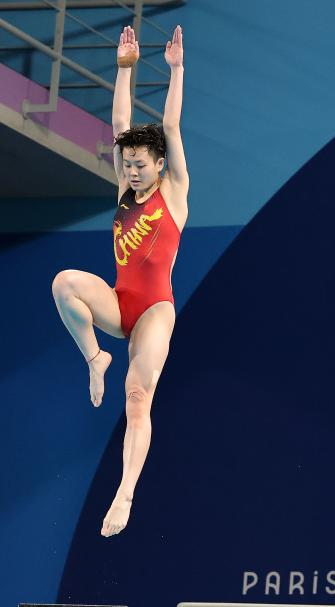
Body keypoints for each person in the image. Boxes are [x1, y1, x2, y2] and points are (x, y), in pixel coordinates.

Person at [51, 24, 189, 537]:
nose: (131, 171)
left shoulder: (173, 193)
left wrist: (174, 71)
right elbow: (120, 124)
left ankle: (125, 492)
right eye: (126, 164)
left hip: (155, 309)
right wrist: (124, 68)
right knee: (64, 282)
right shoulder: (125, 189)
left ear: (158, 166)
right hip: (119, 301)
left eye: (139, 164)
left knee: (137, 393)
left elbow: (171, 129)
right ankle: (95, 358)